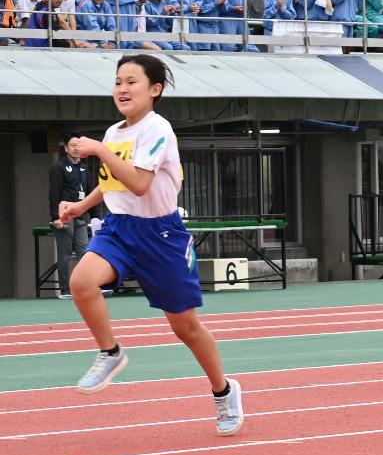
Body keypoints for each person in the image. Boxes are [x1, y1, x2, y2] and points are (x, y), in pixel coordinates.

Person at [56, 54, 245, 435]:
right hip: (119, 228)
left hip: (161, 236)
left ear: (154, 90)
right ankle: (111, 352)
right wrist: (80, 206)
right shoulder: (113, 133)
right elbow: (113, 183)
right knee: (81, 282)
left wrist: (98, 150)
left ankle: (223, 390)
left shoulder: (158, 129)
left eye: (131, 82)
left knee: (185, 327)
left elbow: (140, 183)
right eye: (117, 82)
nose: (122, 89)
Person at [47, 131, 96, 297]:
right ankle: (65, 289)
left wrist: (94, 215)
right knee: (65, 254)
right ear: (66, 148)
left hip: (81, 217)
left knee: (85, 251)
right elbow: (54, 194)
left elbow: (89, 194)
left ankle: (87, 287)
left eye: (78, 146)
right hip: (65, 217)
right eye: (73, 146)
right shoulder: (58, 168)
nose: (76, 149)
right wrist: (56, 217)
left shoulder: (84, 168)